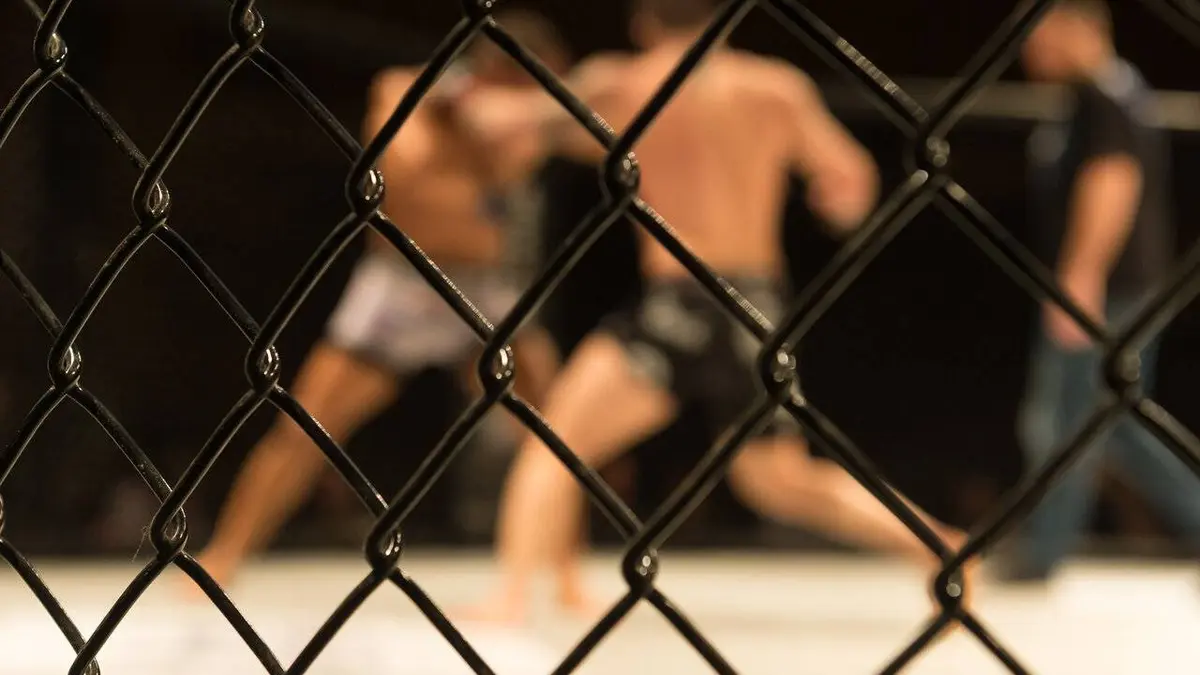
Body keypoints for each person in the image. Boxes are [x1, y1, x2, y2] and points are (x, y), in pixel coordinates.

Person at [456, 0, 977, 624]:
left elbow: (502, 123)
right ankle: (938, 544)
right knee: (777, 480)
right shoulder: (775, 88)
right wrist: (829, 201)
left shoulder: (623, 82)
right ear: (725, 21)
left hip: (676, 298)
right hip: (755, 306)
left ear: (643, 22)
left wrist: (450, 89)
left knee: (554, 441)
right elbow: (849, 180)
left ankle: (510, 595)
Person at [184, 9, 573, 595]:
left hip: (482, 287)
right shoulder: (403, 88)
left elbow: (551, 135)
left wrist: (514, 115)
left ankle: (565, 570)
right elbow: (406, 159)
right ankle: (225, 554)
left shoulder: (524, 115)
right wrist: (470, 110)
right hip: (402, 282)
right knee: (305, 428)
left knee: (553, 429)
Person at [996, 0, 1200, 582]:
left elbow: (1112, 183)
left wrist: (1080, 275)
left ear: (1080, 28)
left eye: (1040, 34)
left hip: (1112, 288)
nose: (1030, 50)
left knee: (1065, 419)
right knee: (1118, 424)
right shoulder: (1101, 95)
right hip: (1117, 286)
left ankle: (1042, 551)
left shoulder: (1107, 96)